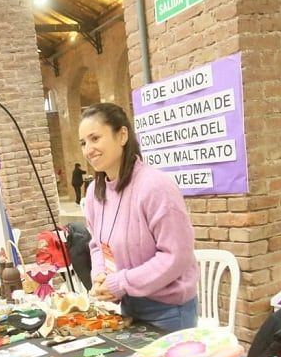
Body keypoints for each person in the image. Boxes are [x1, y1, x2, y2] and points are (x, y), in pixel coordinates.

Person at [80, 102, 199, 332]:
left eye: (95, 138)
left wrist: (121, 282)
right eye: (83, 143)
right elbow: (97, 245)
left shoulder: (155, 186)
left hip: (169, 311)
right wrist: (101, 276)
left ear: (122, 135)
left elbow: (176, 256)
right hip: (128, 305)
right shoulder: (95, 191)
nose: (88, 149)